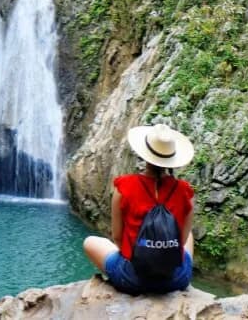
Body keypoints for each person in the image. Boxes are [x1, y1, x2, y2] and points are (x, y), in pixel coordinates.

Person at [82, 123, 196, 295]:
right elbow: (182, 238)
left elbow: (118, 237)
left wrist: (140, 255)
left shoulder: (125, 186)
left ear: (145, 155)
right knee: (190, 236)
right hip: (176, 279)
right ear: (171, 159)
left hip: (132, 279)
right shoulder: (185, 191)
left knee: (90, 242)